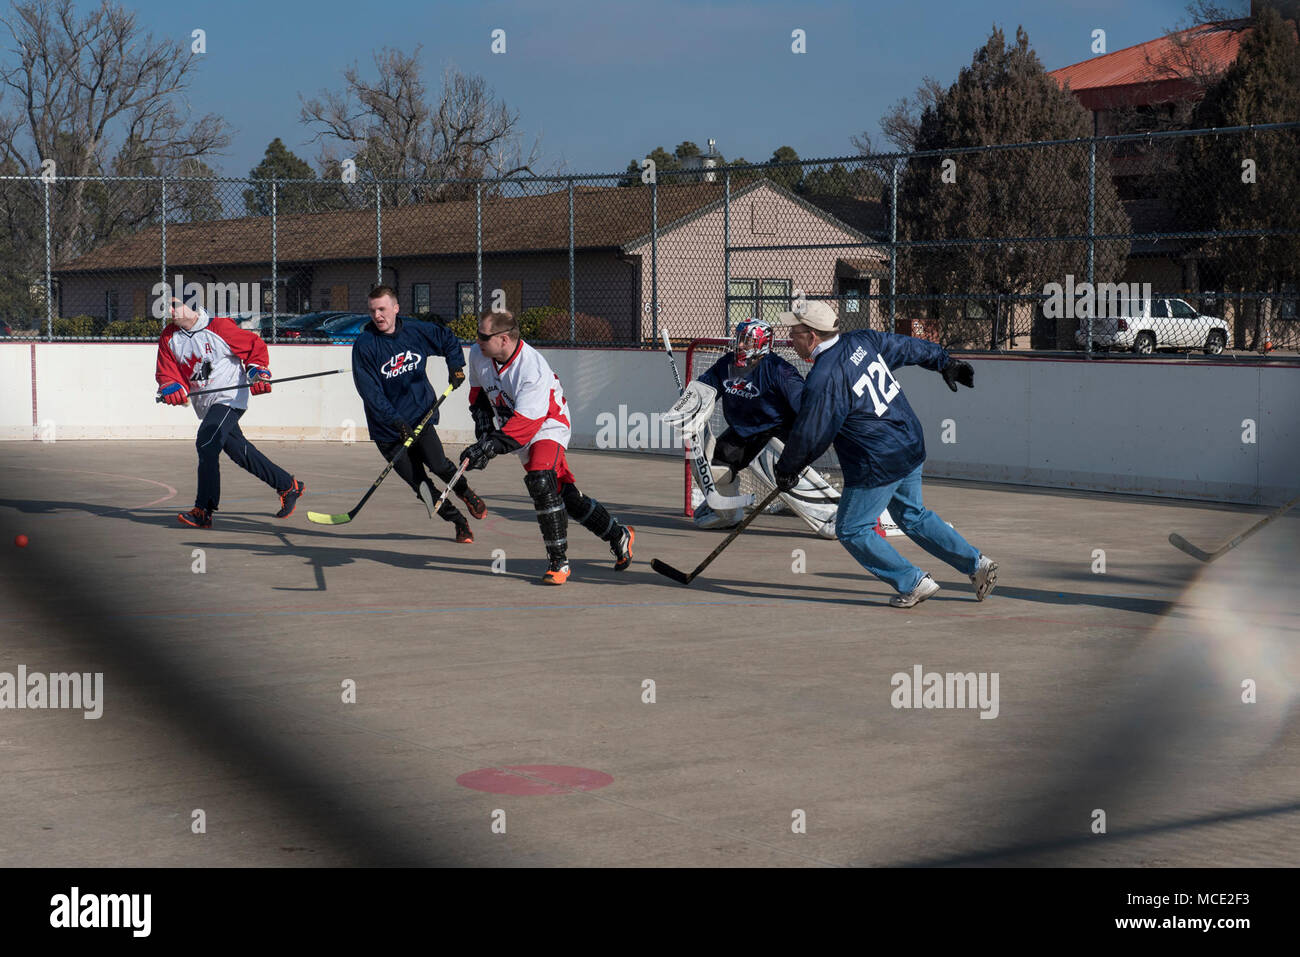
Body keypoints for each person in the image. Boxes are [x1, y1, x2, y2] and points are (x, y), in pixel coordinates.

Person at [772, 300, 998, 608]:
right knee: (912, 515)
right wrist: (944, 362)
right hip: (908, 443)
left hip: (876, 461)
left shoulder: (824, 377)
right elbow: (907, 347)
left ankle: (913, 581)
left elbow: (811, 434)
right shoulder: (862, 340)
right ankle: (977, 565)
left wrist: (788, 468)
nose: (790, 338)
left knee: (852, 529)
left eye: (794, 332)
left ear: (812, 337)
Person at [666, 317, 893, 539]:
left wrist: (810, 442)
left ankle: (832, 515)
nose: (741, 345)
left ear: (763, 343)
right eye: (740, 339)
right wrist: (689, 408)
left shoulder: (779, 371)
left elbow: (808, 408)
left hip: (779, 430)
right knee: (715, 468)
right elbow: (705, 389)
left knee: (780, 471)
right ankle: (728, 514)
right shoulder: (726, 364)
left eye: (748, 340)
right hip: (744, 431)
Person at [459, 309, 634, 585]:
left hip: (547, 425)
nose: (476, 340)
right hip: (518, 429)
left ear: (504, 339)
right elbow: (478, 395)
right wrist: (483, 432)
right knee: (563, 495)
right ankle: (617, 534)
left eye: (483, 335)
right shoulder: (480, 355)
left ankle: (559, 562)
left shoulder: (532, 369)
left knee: (540, 481)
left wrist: (488, 448)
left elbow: (525, 426)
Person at [352, 285, 487, 543]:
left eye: (382, 309)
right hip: (388, 430)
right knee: (421, 486)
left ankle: (465, 492)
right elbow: (370, 393)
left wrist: (455, 364)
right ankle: (458, 521)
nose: (378, 315)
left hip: (419, 417)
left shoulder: (415, 330)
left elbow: (447, 338)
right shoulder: (365, 346)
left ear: (395, 308)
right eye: (372, 311)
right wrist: (395, 421)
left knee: (439, 465)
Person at [155, 299, 305, 528]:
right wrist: (170, 387)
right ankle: (287, 485)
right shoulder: (168, 336)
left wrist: (258, 372)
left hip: (229, 399)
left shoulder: (220, 328)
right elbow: (167, 371)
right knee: (239, 451)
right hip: (206, 405)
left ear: (192, 306)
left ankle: (203, 510)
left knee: (206, 443)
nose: (171, 310)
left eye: (176, 305)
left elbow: (255, 347)